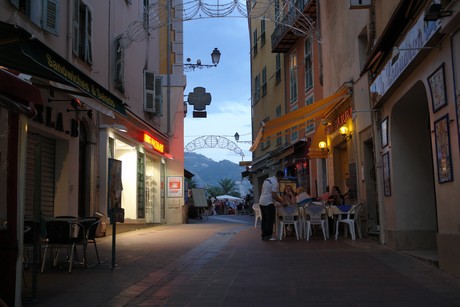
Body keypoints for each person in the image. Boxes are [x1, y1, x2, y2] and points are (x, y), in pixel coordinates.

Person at [258, 171, 285, 241]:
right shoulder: (275, 183)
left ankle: (263, 235)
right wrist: (282, 202)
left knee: (264, 219)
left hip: (261, 201)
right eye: (281, 179)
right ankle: (268, 236)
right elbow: (274, 195)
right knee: (270, 220)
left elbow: (262, 189)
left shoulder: (267, 179)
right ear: (280, 177)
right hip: (268, 202)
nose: (280, 180)